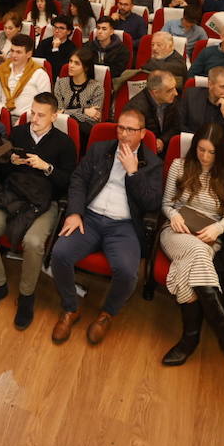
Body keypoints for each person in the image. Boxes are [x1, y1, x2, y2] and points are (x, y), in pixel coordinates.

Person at [50, 107, 163, 345]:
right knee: (59, 254)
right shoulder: (100, 150)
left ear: (143, 134)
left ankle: (107, 314)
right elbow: (78, 179)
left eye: (130, 130)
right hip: (89, 218)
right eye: (120, 128)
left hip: (123, 227)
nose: (123, 134)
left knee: (127, 272)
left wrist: (134, 173)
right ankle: (71, 308)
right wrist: (74, 212)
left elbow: (152, 202)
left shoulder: (152, 164)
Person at [159, 123, 224, 368]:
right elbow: (165, 204)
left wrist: (217, 229)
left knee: (197, 256)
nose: (204, 157)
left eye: (211, 152)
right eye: (201, 150)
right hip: (176, 231)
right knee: (196, 252)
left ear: (220, 154)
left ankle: (189, 339)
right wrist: (173, 215)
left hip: (208, 236)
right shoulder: (179, 166)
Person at [0, 92, 75, 328]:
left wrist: (47, 167)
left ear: (54, 116)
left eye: (41, 115)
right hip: (13, 195)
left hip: (44, 202)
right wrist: (11, 164)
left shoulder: (64, 143)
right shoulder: (18, 133)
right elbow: (0, 173)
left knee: (34, 242)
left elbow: (68, 182)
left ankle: (27, 294)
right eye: (33, 113)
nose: (35, 119)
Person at [179, 66, 224, 146]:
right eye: (223, 87)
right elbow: (179, 125)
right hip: (192, 145)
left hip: (221, 151)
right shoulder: (190, 96)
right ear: (210, 84)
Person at [0, 35, 52, 120]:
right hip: (1, 116)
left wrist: (25, 119)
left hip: (28, 119)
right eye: (12, 51)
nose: (14, 55)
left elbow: (45, 103)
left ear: (29, 54)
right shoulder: (2, 69)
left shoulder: (40, 74)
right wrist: (2, 115)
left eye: (18, 52)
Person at [125, 70, 181, 147]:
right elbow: (132, 137)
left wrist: (162, 140)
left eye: (174, 88)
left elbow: (176, 126)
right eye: (169, 90)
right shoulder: (136, 109)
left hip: (165, 146)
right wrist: (152, 143)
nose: (175, 93)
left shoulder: (171, 100)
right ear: (155, 92)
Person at [53, 47, 104, 132]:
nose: (71, 65)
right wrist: (83, 111)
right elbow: (58, 112)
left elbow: (93, 118)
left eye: (77, 63)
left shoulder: (96, 87)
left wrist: (66, 112)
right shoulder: (60, 83)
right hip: (61, 126)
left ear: (86, 68)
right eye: (70, 61)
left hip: (85, 131)